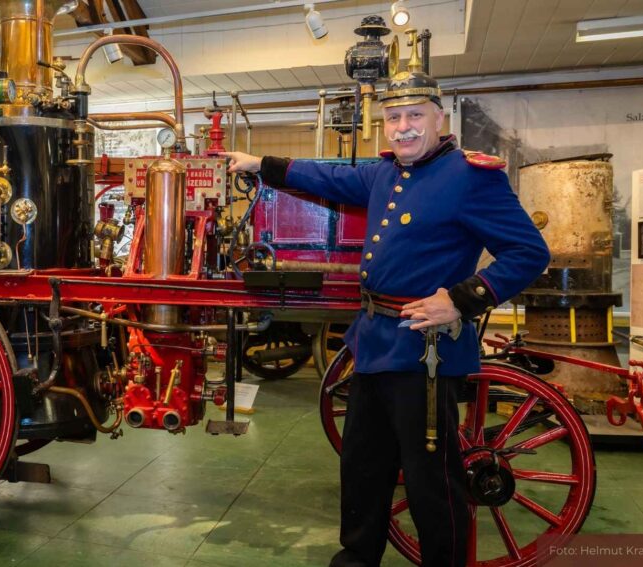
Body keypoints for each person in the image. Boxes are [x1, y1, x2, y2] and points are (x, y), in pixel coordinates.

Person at [224, 71, 550, 567]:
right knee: (363, 468)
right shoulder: (386, 173)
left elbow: (529, 252)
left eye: (415, 115)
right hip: (373, 342)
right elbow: (327, 176)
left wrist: (460, 300)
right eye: (393, 117)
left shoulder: (471, 177)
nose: (402, 128)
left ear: (440, 117)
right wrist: (260, 164)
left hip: (425, 352)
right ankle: (357, 558)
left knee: (431, 482)